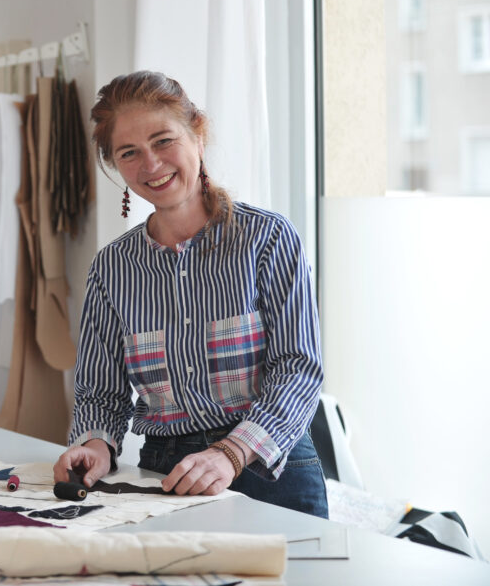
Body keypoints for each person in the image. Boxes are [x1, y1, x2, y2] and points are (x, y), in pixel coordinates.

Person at [53, 71, 328, 518]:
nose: (151, 164)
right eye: (129, 153)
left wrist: (230, 453)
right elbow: (101, 392)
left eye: (164, 141)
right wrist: (96, 445)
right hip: (165, 472)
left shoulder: (269, 239)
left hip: (270, 467)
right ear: (116, 167)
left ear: (197, 135)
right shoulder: (111, 269)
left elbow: (298, 369)